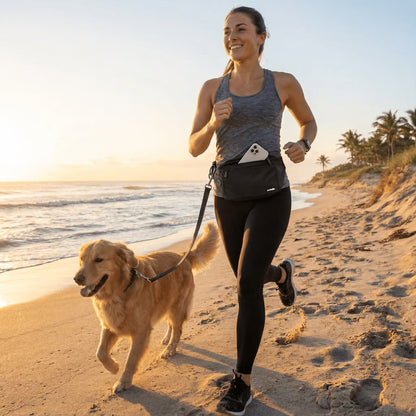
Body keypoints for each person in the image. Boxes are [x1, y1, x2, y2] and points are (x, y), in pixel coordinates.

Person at [189, 6, 317, 415]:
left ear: (261, 37)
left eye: (241, 29)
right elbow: (193, 145)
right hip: (228, 195)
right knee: (251, 273)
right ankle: (282, 274)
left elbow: (308, 122)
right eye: (227, 31)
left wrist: (303, 146)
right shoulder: (212, 88)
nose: (232, 36)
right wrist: (212, 125)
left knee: (245, 285)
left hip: (271, 192)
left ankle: (241, 381)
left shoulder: (282, 82)